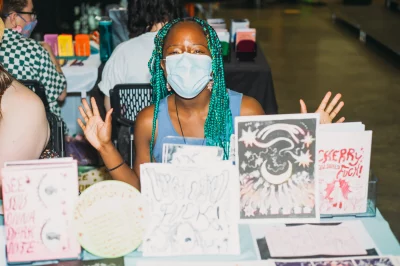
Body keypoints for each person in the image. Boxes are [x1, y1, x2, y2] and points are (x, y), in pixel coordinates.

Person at [78, 18, 345, 191]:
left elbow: (275, 184)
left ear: (213, 62)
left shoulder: (246, 112)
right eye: (174, 53)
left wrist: (310, 144)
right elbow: (139, 190)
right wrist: (105, 147)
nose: (185, 60)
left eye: (196, 51)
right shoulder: (151, 120)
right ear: (163, 67)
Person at [98, 0, 184, 111]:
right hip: (177, 126)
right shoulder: (188, 49)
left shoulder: (122, 52)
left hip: (133, 126)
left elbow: (110, 107)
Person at [0, 0, 67, 119]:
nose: (33, 19)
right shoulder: (35, 49)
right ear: (14, 17)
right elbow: (61, 94)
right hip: (37, 125)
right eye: (30, 13)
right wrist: (49, 52)